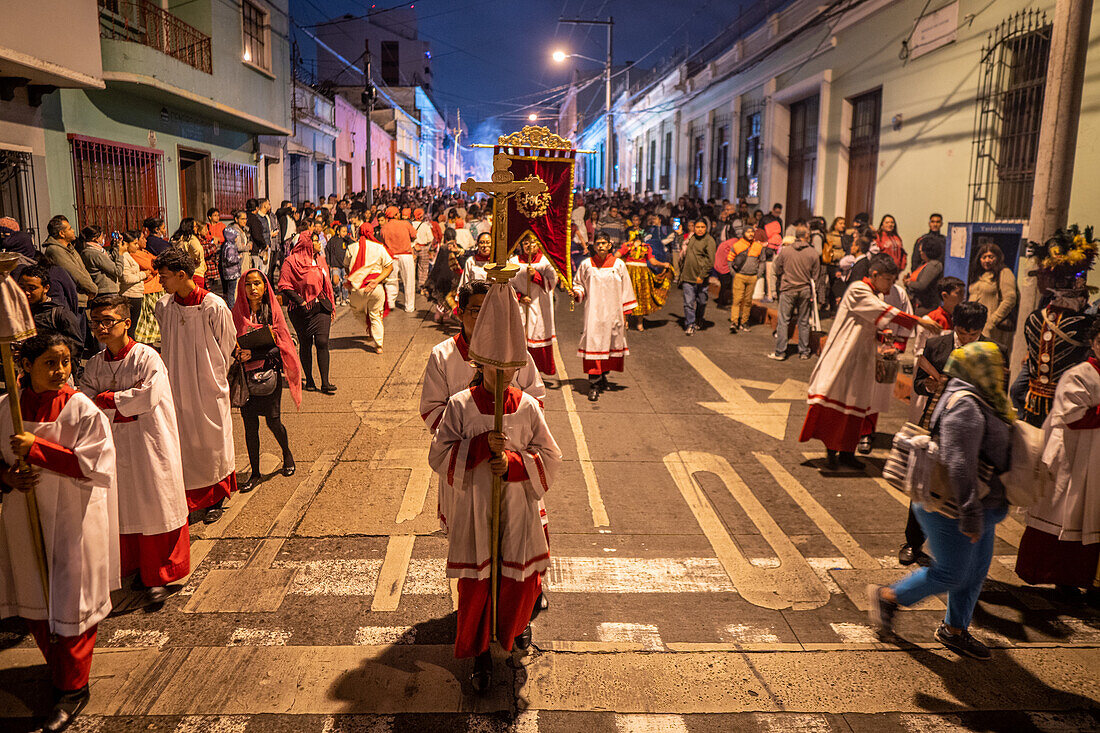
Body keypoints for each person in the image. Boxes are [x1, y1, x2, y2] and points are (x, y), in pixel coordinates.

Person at [427, 283, 561, 694]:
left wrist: (516, 464)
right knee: (479, 581)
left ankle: (514, 629)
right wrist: (479, 448)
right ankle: (480, 651)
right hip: (472, 500)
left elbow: (549, 454)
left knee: (518, 577)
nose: (499, 374)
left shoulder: (523, 405)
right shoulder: (456, 392)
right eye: (472, 310)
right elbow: (439, 447)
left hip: (517, 505)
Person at [0, 333, 118, 732]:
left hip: (74, 517)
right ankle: (59, 668)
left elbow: (95, 465)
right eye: (50, 363)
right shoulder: (6, 410)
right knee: (33, 595)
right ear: (25, 367)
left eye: (65, 362)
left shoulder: (82, 409)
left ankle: (73, 688)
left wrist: (37, 449)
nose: (61, 371)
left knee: (72, 601)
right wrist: (7, 477)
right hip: (24, 515)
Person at [868, 341, 1014, 661]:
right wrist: (971, 515)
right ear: (980, 368)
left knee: (974, 573)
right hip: (953, 508)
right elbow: (958, 464)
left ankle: (954, 630)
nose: (1004, 370)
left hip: (980, 505)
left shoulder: (982, 397)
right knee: (952, 574)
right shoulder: (966, 405)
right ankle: (889, 596)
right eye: (998, 364)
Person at [80, 294, 189, 608]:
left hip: (148, 443)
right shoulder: (95, 363)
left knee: (153, 502)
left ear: (127, 322)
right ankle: (130, 568)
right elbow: (85, 401)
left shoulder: (147, 357)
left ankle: (159, 575)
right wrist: (113, 401)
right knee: (123, 506)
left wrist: (108, 400)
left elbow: (146, 398)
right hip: (115, 444)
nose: (101, 327)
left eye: (108, 321)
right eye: (96, 322)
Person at [800, 254, 941, 471]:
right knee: (838, 404)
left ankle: (847, 453)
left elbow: (873, 322)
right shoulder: (859, 290)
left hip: (864, 357)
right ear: (875, 275)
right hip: (844, 357)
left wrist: (884, 336)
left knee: (858, 406)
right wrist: (919, 320)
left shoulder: (875, 294)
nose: (891, 285)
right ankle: (832, 453)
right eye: (888, 280)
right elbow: (883, 312)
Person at [1016, 319, 1100, 603]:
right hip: (1073, 457)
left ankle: (1084, 579)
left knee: (1090, 519)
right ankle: (1060, 579)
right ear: (1093, 342)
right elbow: (1075, 417)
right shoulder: (1079, 374)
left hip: (1096, 459)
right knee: (1066, 516)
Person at [153, 246, 238, 523]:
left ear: (181, 275)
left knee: (211, 442)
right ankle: (188, 498)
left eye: (164, 276)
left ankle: (215, 499)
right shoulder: (164, 306)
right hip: (176, 384)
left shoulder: (213, 305)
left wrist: (212, 379)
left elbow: (226, 347)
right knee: (184, 442)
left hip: (208, 385)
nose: (160, 282)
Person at [903, 301, 989, 566]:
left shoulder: (992, 352)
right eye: (962, 333)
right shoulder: (936, 346)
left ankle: (955, 547)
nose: (967, 339)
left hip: (970, 429)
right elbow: (917, 385)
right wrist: (928, 385)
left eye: (973, 335)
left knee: (960, 487)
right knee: (924, 482)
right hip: (936, 424)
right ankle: (912, 542)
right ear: (954, 325)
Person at [232, 269, 301, 493]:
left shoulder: (272, 311)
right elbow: (226, 341)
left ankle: (287, 453)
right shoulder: (236, 313)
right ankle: (254, 473)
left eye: (258, 284)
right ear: (242, 287)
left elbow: (283, 344)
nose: (253, 289)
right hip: (245, 379)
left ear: (264, 287)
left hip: (269, 376)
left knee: (273, 422)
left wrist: (255, 355)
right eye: (248, 284)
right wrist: (237, 353)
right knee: (250, 427)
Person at [573, 232, 637, 401]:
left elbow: (626, 289)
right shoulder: (587, 264)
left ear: (610, 245)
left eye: (604, 243)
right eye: (598, 243)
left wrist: (626, 314)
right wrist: (577, 292)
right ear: (594, 247)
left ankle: (603, 377)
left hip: (613, 313)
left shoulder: (619, 265)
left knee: (609, 345)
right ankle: (593, 383)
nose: (600, 246)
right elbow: (579, 284)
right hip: (593, 313)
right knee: (593, 345)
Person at [279, 231, 337, 394]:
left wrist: (331, 304)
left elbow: (327, 285)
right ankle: (310, 380)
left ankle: (325, 383)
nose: (320, 244)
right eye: (316, 241)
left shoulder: (319, 259)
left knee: (322, 342)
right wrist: (301, 301)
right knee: (305, 343)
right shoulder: (290, 262)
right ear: (306, 243)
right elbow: (284, 285)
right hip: (301, 311)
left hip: (321, 307)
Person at [769, 225, 821, 361]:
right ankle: (803, 351)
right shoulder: (813, 253)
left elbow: (777, 268)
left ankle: (780, 352)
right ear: (807, 236)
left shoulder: (786, 251)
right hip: (804, 290)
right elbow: (816, 275)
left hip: (787, 289)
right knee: (804, 321)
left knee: (783, 321)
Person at [509, 235, 560, 373]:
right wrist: (519, 296)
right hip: (521, 306)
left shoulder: (545, 262)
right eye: (526, 243)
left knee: (538, 334)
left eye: (532, 242)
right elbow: (508, 284)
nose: (529, 246)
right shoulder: (513, 261)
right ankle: (521, 371)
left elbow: (553, 282)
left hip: (539, 304)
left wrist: (535, 276)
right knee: (520, 337)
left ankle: (536, 371)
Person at [344, 227, 393, 354]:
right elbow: (389, 267)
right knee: (376, 315)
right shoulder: (379, 247)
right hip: (375, 287)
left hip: (358, 288)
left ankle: (369, 328)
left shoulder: (352, 248)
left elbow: (346, 267)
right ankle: (379, 345)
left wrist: (354, 278)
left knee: (357, 310)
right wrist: (376, 281)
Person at [17, 265, 84, 351]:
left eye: (32, 288)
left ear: (46, 288)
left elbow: (75, 347)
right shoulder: (17, 312)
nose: (26, 292)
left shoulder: (60, 314)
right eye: (22, 287)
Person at [967, 241, 1017, 355]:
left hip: (991, 328)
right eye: (984, 257)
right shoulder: (977, 275)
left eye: (991, 257)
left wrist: (992, 322)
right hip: (973, 326)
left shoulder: (1004, 273)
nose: (987, 260)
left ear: (998, 257)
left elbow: (1010, 299)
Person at [617, 230, 671, 332]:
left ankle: (639, 322)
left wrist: (663, 264)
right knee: (626, 295)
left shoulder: (646, 247)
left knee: (641, 297)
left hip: (642, 275)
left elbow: (653, 261)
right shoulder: (627, 245)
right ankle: (626, 320)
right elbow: (617, 255)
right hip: (629, 274)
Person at [42, 215, 97, 310]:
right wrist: (92, 288)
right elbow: (75, 273)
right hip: (72, 300)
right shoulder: (55, 250)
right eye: (70, 229)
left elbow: (82, 270)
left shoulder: (69, 248)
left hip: (82, 298)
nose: (73, 231)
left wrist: (90, 288)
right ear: (62, 233)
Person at [677, 219, 717, 335]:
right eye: (697, 227)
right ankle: (690, 324)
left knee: (702, 301)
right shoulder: (692, 238)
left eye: (702, 227)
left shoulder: (709, 241)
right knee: (688, 303)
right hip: (687, 276)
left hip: (701, 278)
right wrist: (680, 235)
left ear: (706, 228)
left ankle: (699, 319)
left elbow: (710, 261)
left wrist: (702, 275)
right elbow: (684, 248)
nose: (700, 229)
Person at [380, 205, 417, 312]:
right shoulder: (405, 224)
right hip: (406, 255)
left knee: (391, 280)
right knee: (409, 281)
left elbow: (383, 241)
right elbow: (414, 235)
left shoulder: (384, 228)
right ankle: (409, 307)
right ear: (396, 215)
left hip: (391, 257)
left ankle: (391, 302)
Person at [728, 226, 765, 333]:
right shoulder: (737, 245)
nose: (750, 234)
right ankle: (734, 322)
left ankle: (744, 321)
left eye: (752, 232)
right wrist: (733, 273)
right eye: (748, 232)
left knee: (748, 301)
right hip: (739, 276)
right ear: (744, 233)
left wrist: (758, 274)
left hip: (752, 277)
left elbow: (762, 261)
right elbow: (729, 260)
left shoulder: (758, 246)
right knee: (737, 300)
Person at [132, 231, 163, 346]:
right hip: (149, 290)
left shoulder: (144, 251)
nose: (145, 241)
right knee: (150, 319)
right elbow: (154, 266)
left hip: (155, 288)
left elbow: (157, 262)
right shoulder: (135, 254)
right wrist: (151, 272)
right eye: (142, 238)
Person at [77, 226, 122, 296]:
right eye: (102, 236)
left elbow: (109, 261)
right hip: (106, 291)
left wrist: (116, 246)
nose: (103, 238)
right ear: (95, 238)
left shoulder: (90, 251)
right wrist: (121, 254)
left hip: (104, 291)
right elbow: (117, 271)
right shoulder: (94, 253)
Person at [905, 236, 945, 315]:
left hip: (926, 306)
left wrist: (908, 283)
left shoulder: (934, 265)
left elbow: (922, 285)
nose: (920, 253)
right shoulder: (924, 264)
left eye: (921, 251)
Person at [117, 232, 147, 336]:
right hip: (130, 294)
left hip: (135, 294)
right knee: (130, 328)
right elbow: (127, 278)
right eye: (134, 244)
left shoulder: (128, 256)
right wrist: (144, 274)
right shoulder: (124, 257)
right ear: (126, 244)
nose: (137, 246)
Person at [170, 218, 207, 288]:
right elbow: (198, 250)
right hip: (196, 272)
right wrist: (195, 259)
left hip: (183, 273)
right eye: (195, 226)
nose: (197, 228)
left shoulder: (178, 239)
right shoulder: (192, 239)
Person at [219, 225, 243, 309]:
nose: (236, 239)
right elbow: (230, 259)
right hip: (231, 273)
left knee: (230, 290)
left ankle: (231, 305)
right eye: (235, 237)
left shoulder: (226, 245)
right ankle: (231, 307)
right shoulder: (230, 247)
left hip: (229, 272)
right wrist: (239, 257)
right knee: (231, 291)